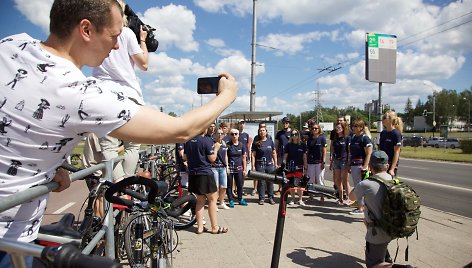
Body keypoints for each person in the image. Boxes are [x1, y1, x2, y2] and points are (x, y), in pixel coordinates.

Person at [0, 0, 237, 261]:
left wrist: (46, 166)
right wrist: (226, 96)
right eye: (114, 36)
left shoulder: (11, 44)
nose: (116, 46)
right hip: (11, 242)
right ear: (86, 29)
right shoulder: (78, 93)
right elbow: (181, 130)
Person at [93, 0, 149, 182]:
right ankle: (127, 182)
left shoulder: (96, 32)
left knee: (108, 146)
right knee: (132, 144)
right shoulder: (126, 34)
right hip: (128, 94)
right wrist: (142, 40)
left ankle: (117, 183)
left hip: (102, 94)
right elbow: (144, 64)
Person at [348, 150, 413, 268]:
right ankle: (386, 256)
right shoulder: (395, 181)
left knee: (373, 265)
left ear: (370, 166)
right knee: (379, 243)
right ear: (387, 166)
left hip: (378, 231)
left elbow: (351, 197)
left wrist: (363, 180)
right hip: (394, 227)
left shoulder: (366, 184)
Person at [184, 132, 228, 235]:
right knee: (213, 199)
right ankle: (215, 227)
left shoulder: (189, 142)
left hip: (193, 174)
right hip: (205, 173)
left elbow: (185, 157)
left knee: (200, 200)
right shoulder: (206, 141)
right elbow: (212, 159)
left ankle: (199, 228)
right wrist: (216, 148)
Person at [348, 119, 373, 215]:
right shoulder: (354, 138)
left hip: (360, 166)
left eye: (355, 126)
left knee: (360, 187)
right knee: (357, 186)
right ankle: (360, 206)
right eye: (353, 126)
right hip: (354, 165)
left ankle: (361, 208)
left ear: (361, 128)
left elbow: (369, 153)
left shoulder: (365, 138)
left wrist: (365, 166)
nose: (353, 128)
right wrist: (350, 164)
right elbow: (351, 153)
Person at [252, 126, 277, 205]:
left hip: (269, 165)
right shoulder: (256, 142)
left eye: (263, 130)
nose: (262, 132)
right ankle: (261, 198)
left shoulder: (270, 141)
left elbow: (274, 153)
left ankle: (271, 198)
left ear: (266, 132)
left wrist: (275, 163)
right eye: (260, 131)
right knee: (261, 182)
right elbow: (253, 155)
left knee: (270, 182)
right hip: (260, 165)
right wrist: (253, 165)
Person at [283, 129, 307, 206]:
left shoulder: (302, 145)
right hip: (290, 167)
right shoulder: (288, 145)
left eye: (295, 134)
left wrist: (305, 166)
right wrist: (283, 163)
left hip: (299, 167)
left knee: (300, 184)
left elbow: (304, 157)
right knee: (291, 184)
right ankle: (292, 198)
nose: (294, 136)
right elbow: (285, 156)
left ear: (298, 135)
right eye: (292, 135)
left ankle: (300, 199)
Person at [331, 122, 352, 205]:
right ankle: (341, 198)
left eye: (339, 127)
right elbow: (333, 150)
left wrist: (348, 162)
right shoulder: (335, 139)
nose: (338, 129)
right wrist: (332, 161)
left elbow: (349, 150)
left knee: (345, 180)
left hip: (344, 161)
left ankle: (350, 198)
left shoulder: (347, 138)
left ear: (343, 129)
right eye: (337, 127)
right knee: (338, 180)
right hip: (336, 161)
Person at [226, 129, 248, 207]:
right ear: (230, 135)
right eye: (232, 134)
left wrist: (245, 169)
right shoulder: (228, 145)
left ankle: (240, 199)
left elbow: (243, 158)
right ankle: (230, 200)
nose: (234, 135)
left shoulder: (242, 145)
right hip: (230, 168)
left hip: (239, 168)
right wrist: (227, 167)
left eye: (236, 134)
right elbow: (226, 156)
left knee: (239, 184)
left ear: (238, 135)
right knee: (229, 185)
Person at [306, 123, 327, 201]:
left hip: (319, 162)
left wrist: (323, 162)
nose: (314, 130)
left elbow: (324, 151)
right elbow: (307, 151)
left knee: (320, 179)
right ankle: (311, 195)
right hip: (311, 162)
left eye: (316, 128)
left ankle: (322, 196)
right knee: (310, 179)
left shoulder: (322, 138)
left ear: (319, 129)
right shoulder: (310, 139)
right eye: (313, 128)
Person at [379, 111, 403, 176]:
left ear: (391, 119)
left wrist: (392, 169)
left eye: (384, 117)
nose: (382, 119)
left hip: (390, 164)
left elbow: (397, 152)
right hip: (382, 164)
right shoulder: (383, 133)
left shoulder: (396, 134)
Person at [211, 128, 230, 210]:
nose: (220, 135)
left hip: (222, 167)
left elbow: (225, 155)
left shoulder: (224, 143)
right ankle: (214, 204)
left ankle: (221, 202)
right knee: (216, 187)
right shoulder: (212, 143)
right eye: (218, 133)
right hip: (214, 167)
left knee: (223, 186)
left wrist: (227, 166)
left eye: (221, 133)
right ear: (215, 134)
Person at [237, 119, 251, 196]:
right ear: (238, 124)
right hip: (237, 157)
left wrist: (248, 157)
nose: (242, 125)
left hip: (244, 157)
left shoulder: (246, 135)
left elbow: (247, 147)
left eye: (243, 123)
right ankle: (235, 190)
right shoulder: (236, 133)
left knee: (243, 174)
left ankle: (241, 189)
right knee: (236, 174)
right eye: (240, 123)